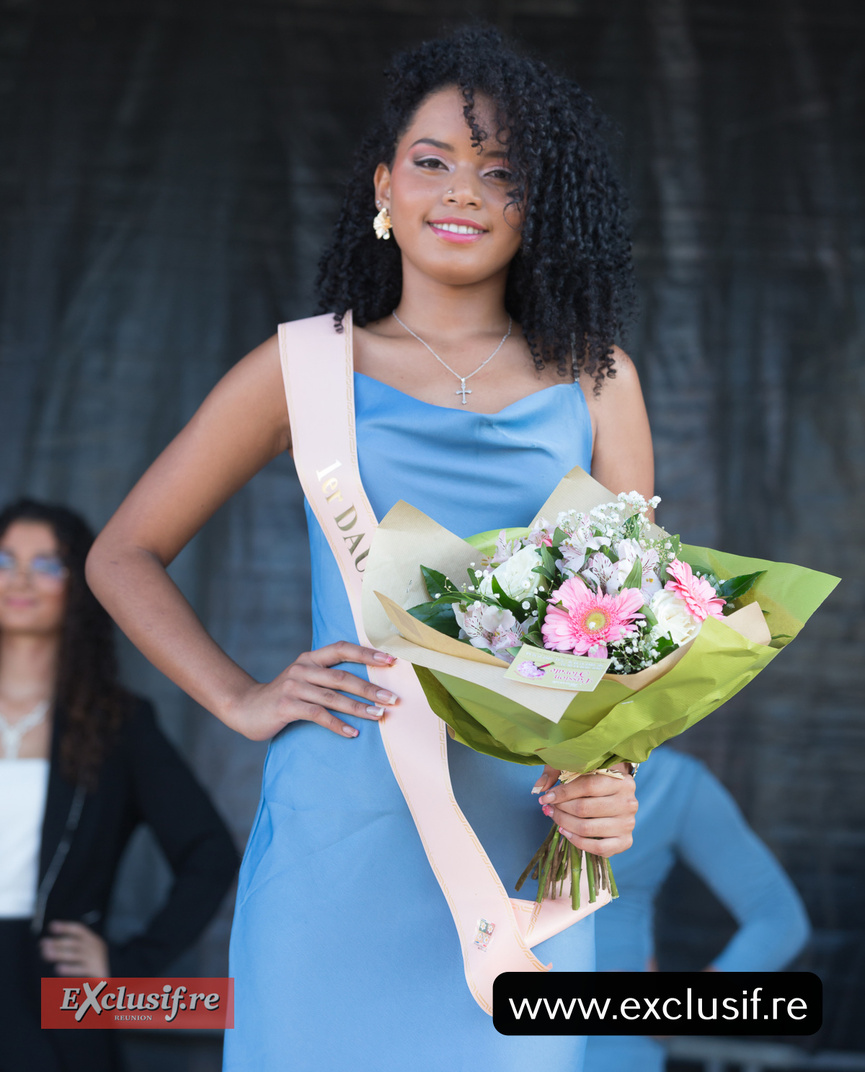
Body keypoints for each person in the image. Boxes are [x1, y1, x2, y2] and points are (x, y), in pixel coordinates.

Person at [86, 26, 651, 1071]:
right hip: (338, 827)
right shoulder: (303, 367)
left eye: (500, 172)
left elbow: (638, 634)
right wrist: (241, 698)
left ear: (539, 205)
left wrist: (613, 772)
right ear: (385, 184)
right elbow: (121, 552)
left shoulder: (595, 377)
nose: (462, 192)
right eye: (432, 161)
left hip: (522, 840)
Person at [0, 498, 239, 1072]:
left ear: (78, 586)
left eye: (48, 564)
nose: (21, 579)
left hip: (51, 1000)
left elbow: (210, 854)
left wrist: (128, 966)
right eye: (5, 560)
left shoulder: (117, 725)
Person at [584, 745, 811, 1072]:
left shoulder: (669, 780)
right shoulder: (486, 754)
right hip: (488, 1032)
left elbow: (779, 918)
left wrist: (681, 1007)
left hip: (610, 1049)